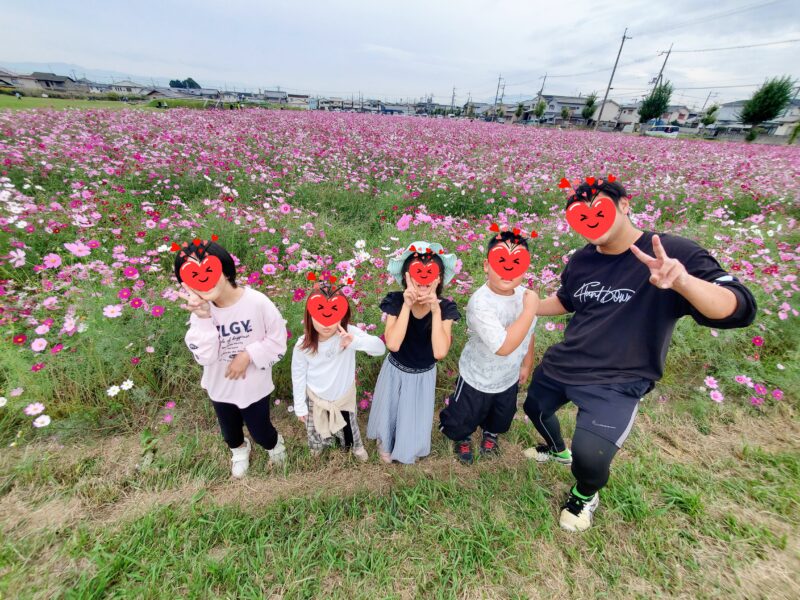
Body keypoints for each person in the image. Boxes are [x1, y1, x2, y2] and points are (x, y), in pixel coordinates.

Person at [524, 177, 757, 532]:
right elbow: (568, 300)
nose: (589, 220)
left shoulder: (672, 252)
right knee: (535, 408)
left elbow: (740, 307)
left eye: (599, 209)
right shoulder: (582, 259)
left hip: (619, 378)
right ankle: (556, 450)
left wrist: (683, 282)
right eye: (579, 215)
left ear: (624, 204)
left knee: (590, 458)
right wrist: (529, 306)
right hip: (564, 362)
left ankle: (585, 494)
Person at [176, 239, 288, 478]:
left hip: (254, 387)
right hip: (220, 387)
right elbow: (204, 357)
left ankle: (274, 445)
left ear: (225, 270)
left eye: (208, 270)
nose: (203, 280)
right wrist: (204, 318)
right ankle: (239, 451)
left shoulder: (257, 302)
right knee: (230, 433)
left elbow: (278, 340)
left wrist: (248, 355)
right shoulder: (200, 312)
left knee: (261, 431)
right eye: (193, 276)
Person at [439, 230, 539, 464]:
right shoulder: (480, 302)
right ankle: (462, 437)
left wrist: (527, 362)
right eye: (500, 260)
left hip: (508, 375)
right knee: (464, 414)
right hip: (476, 376)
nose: (508, 268)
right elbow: (503, 346)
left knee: (502, 413)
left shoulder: (525, 297)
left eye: (516, 262)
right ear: (486, 265)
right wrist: (529, 310)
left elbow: (529, 331)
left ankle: (491, 433)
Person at [367, 241, 461, 464]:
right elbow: (393, 344)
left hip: (422, 375)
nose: (423, 279)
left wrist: (435, 310)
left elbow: (440, 351)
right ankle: (385, 441)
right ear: (406, 276)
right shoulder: (396, 300)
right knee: (389, 410)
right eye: (417, 272)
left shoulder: (446, 308)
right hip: (395, 371)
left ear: (439, 278)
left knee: (413, 415)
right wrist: (407, 306)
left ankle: (408, 444)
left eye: (430, 273)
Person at [292, 282, 385, 460]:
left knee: (348, 425)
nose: (326, 323)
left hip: (343, 395)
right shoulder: (303, 344)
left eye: (333, 314)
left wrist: (354, 342)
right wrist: (299, 406)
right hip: (316, 396)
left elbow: (379, 348)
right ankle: (317, 447)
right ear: (310, 316)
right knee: (315, 426)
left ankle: (356, 447)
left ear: (342, 315)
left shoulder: (348, 333)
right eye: (319, 315)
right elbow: (298, 376)